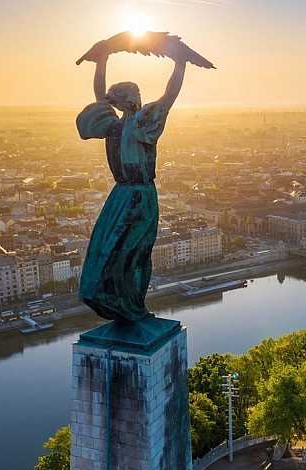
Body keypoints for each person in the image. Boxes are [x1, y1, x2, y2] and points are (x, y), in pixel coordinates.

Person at [75, 40, 186, 323]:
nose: (111, 102)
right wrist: (102, 60)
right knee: (112, 250)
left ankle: (131, 305)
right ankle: (117, 300)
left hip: (138, 196)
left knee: (132, 252)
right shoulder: (116, 126)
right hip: (124, 195)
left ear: (128, 101)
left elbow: (169, 96)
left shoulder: (141, 123)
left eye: (116, 98)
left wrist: (180, 64)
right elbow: (101, 96)